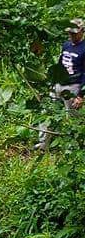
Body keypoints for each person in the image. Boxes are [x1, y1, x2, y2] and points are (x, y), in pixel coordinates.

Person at [37, 18, 85, 149]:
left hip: (73, 87)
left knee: (73, 117)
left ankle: (75, 147)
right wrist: (51, 83)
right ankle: (43, 143)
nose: (71, 36)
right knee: (47, 111)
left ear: (82, 31)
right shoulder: (66, 45)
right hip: (58, 83)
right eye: (70, 33)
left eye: (74, 33)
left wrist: (81, 95)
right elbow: (60, 64)